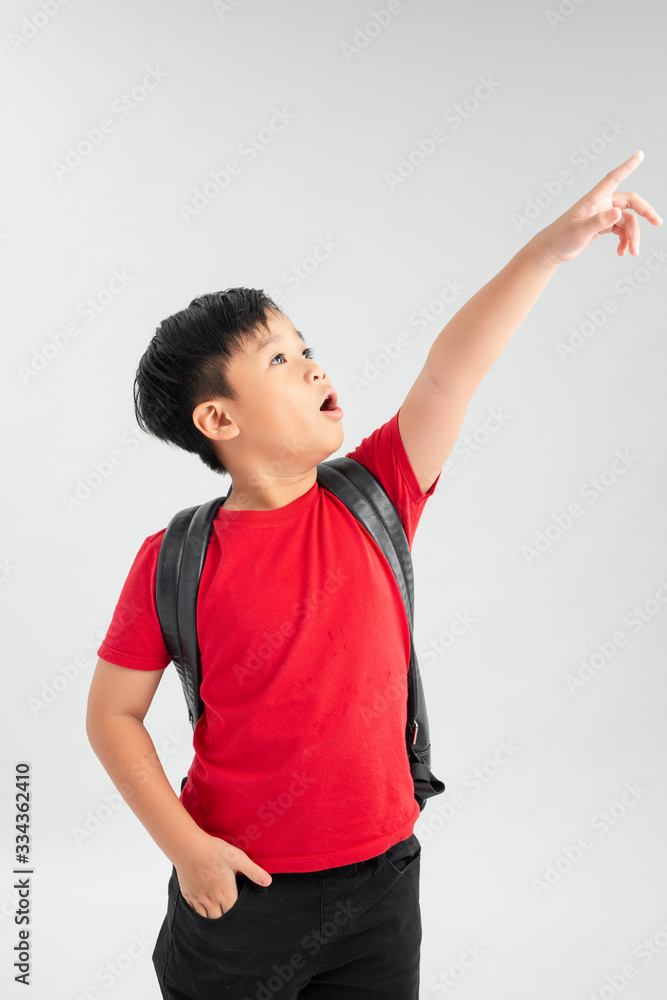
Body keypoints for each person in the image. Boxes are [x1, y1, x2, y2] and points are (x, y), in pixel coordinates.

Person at [86, 150, 660, 999]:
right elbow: (112, 717)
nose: (314, 365)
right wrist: (186, 849)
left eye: (305, 345)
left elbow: (449, 370)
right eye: (278, 361)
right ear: (218, 419)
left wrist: (546, 251)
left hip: (383, 883)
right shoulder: (174, 559)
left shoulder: (375, 492)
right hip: (239, 894)